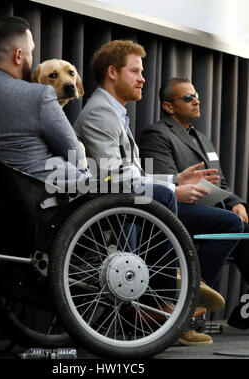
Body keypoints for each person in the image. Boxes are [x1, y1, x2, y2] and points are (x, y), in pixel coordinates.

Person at [74, 40, 244, 345]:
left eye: (142, 72)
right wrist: (173, 188)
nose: (143, 79)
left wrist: (174, 179)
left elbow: (131, 173)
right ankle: (165, 303)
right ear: (112, 72)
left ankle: (186, 293)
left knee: (229, 222)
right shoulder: (101, 112)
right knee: (164, 198)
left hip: (126, 200)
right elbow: (112, 175)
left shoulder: (115, 113)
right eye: (135, 71)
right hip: (110, 207)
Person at [139, 77, 249, 330]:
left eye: (196, 95)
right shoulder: (157, 134)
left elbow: (221, 183)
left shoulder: (204, 139)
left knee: (242, 224)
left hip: (213, 210)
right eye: (188, 98)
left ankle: (239, 316)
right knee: (231, 225)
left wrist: (236, 202)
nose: (196, 100)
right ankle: (190, 300)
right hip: (178, 210)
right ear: (169, 106)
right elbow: (165, 185)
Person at [0, 16, 89, 189]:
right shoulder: (39, 95)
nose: (31, 59)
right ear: (18, 56)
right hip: (48, 197)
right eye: (31, 52)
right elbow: (76, 155)